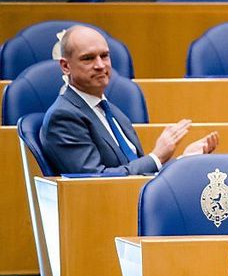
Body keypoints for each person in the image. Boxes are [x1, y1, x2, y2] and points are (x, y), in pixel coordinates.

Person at [41, 25, 218, 176]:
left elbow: (136, 171)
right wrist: (157, 157)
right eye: (88, 58)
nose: (100, 65)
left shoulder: (110, 110)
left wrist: (182, 161)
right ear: (65, 66)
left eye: (104, 56)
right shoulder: (63, 117)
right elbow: (95, 179)